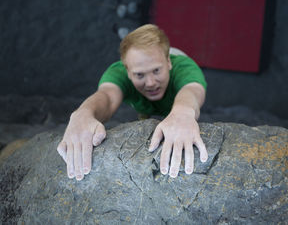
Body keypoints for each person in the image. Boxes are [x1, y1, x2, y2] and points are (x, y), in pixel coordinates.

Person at [57, 24, 208, 181]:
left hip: (175, 95)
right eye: (139, 75)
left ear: (169, 63)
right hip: (143, 104)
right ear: (127, 71)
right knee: (145, 115)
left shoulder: (184, 68)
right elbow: (107, 97)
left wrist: (183, 112)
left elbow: (192, 90)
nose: (150, 83)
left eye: (156, 70)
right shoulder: (118, 73)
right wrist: (84, 113)